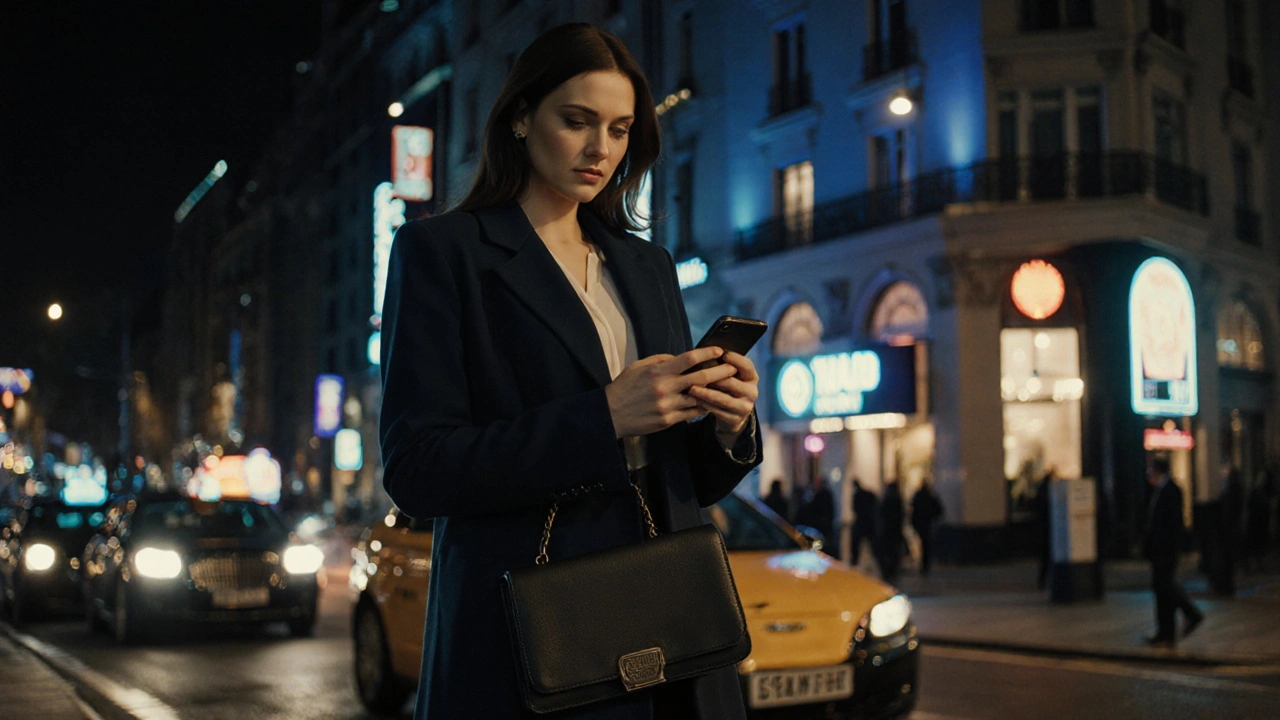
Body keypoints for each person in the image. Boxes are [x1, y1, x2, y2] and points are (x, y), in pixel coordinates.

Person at [377, 24, 762, 720]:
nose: (600, 150)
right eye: (577, 121)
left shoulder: (647, 264)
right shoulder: (443, 252)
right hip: (530, 629)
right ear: (521, 117)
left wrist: (727, 424)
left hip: (672, 611)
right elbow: (418, 469)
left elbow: (684, 479)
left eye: (619, 129)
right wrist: (604, 416)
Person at [1142, 456, 1203, 647]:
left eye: (1150, 470)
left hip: (1165, 549)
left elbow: (1172, 523)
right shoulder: (1159, 490)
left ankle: (1189, 615)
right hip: (1160, 549)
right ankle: (1166, 631)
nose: (1148, 474)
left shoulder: (1170, 490)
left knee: (1165, 586)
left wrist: (1170, 546)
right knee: (1162, 588)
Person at [910, 480, 944, 576]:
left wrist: (913, 523)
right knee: (927, 545)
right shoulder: (931, 496)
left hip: (921, 524)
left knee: (923, 544)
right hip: (928, 524)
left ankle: (924, 565)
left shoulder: (918, 496)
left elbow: (913, 511)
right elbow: (939, 510)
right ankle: (926, 564)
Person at [794, 474, 836, 553]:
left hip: (820, 528)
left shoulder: (821, 495)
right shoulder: (820, 494)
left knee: (819, 548)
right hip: (820, 528)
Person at [877, 480, 906, 583]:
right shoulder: (898, 500)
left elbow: (881, 515)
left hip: (887, 531)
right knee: (894, 552)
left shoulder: (887, 499)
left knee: (887, 552)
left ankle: (888, 571)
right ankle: (892, 570)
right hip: (895, 530)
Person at [850, 479, 878, 566]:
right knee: (873, 545)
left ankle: (854, 562)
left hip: (862, 522)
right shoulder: (868, 494)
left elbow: (855, 508)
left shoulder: (858, 495)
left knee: (856, 544)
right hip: (869, 522)